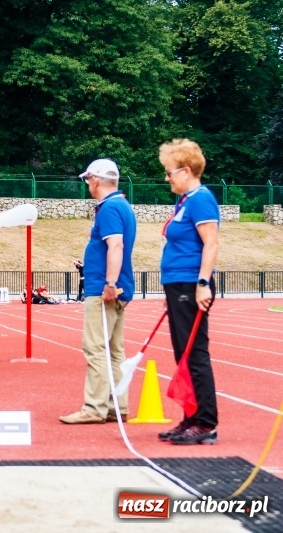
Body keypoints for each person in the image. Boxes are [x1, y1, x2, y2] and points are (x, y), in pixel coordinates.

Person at [60, 159, 136, 425]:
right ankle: (118, 406)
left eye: (88, 179)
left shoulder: (109, 209)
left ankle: (94, 407)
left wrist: (109, 283)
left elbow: (116, 246)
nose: (87, 184)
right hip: (118, 286)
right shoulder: (122, 205)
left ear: (96, 179)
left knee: (95, 347)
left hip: (104, 289)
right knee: (115, 350)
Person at [157, 139, 220, 445]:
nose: (166, 178)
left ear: (185, 170)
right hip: (177, 284)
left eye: (169, 172)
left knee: (194, 355)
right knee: (182, 354)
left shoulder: (200, 199)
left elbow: (211, 242)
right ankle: (191, 417)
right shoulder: (184, 201)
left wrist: (203, 283)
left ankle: (206, 422)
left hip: (190, 284)